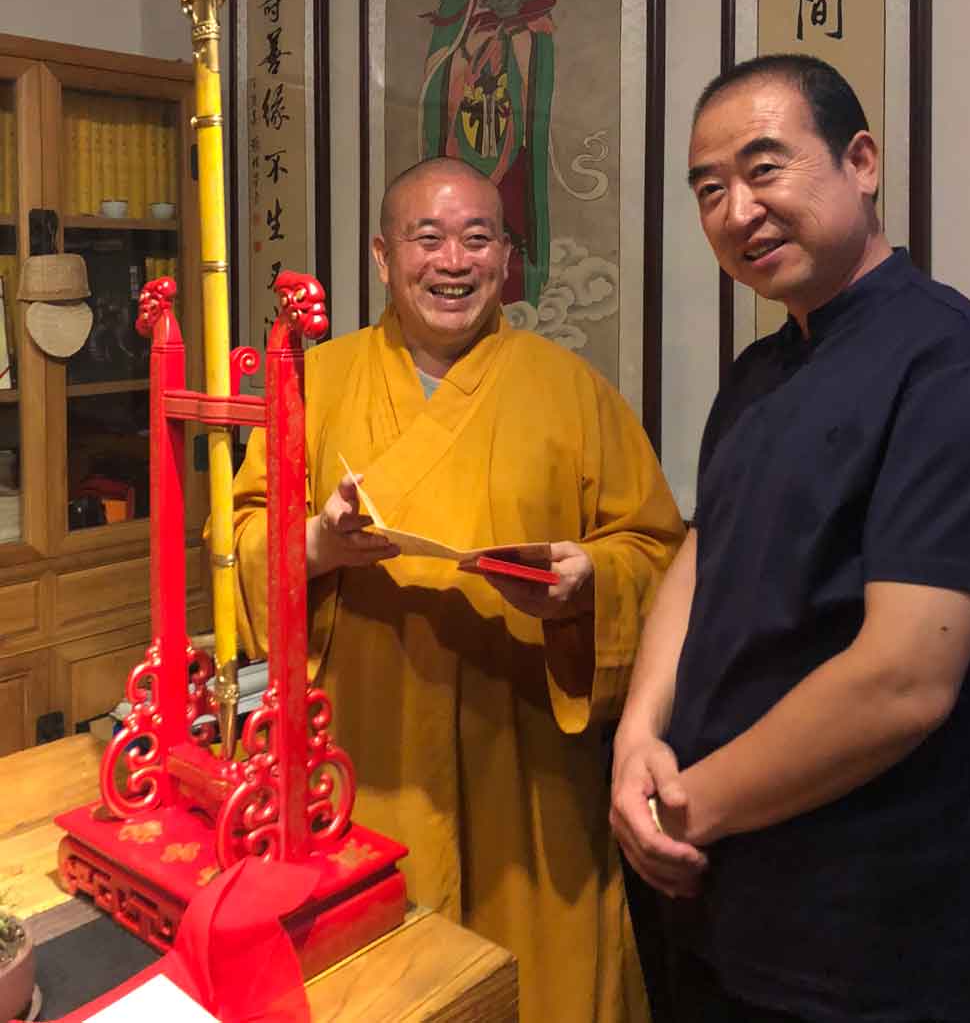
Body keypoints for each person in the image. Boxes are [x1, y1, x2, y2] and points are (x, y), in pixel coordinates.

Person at [611, 53, 970, 1023]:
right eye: (709, 190)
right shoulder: (759, 370)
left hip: (866, 930)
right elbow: (704, 552)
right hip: (718, 891)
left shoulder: (957, 365)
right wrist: (636, 735)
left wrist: (687, 806)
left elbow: (902, 682)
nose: (737, 211)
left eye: (764, 169)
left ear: (861, 162)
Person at [231, 156, 684, 1023]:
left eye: (478, 238)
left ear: (507, 258)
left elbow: (657, 550)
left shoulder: (573, 390)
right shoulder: (317, 381)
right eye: (427, 237)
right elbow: (240, 540)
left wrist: (590, 581)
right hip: (366, 755)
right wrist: (318, 544)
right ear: (382, 255)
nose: (452, 260)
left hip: (525, 764)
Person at [419, 0, 556, 305]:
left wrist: (516, 38)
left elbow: (541, 39)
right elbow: (440, 56)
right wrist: (467, 49)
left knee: (509, 205)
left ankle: (516, 292)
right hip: (466, 114)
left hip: (509, 114)